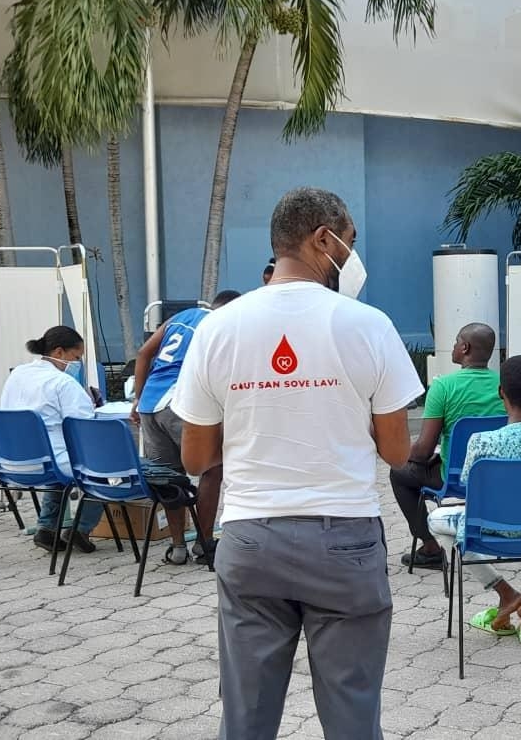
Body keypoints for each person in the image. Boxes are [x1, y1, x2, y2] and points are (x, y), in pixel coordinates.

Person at [172, 187, 423, 740]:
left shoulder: (217, 328)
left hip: (250, 538)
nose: (353, 258)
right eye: (350, 242)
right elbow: (397, 452)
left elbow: (195, 457)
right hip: (344, 541)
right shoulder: (369, 325)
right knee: (353, 718)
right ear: (323, 239)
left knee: (246, 718)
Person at [427, 355, 521, 646]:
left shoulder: (481, 441)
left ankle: (505, 592)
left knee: (435, 520)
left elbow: (467, 486)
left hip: (489, 531)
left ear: (501, 392)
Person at [130, 290, 241, 565]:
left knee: (169, 476)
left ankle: (178, 547)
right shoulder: (221, 325)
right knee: (212, 468)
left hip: (150, 405)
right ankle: (204, 543)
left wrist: (138, 398)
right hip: (181, 402)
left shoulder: (181, 317)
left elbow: (143, 353)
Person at [390, 323, 505, 570]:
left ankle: (430, 547)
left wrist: (401, 453)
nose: (453, 346)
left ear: (465, 348)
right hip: (496, 478)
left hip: (454, 479)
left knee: (398, 474)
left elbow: (423, 451)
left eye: (456, 341)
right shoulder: (504, 385)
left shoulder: (443, 387)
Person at [0, 326, 101, 553]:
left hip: (9, 464)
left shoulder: (17, 374)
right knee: (102, 469)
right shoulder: (62, 383)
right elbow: (83, 424)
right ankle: (80, 529)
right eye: (76, 357)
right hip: (49, 462)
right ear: (58, 352)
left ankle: (46, 528)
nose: (77, 363)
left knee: (58, 463)